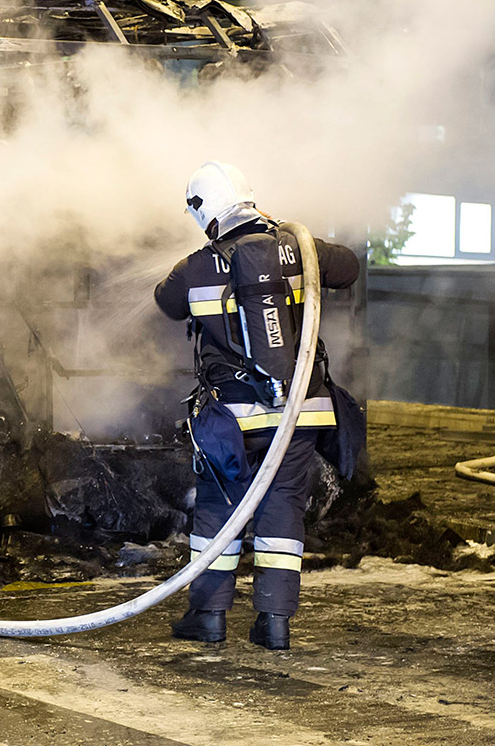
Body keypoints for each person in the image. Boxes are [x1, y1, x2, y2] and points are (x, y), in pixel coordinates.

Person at [154, 161, 360, 651]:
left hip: (232, 418)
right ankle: (274, 623)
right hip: (297, 412)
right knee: (283, 509)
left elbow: (166, 302)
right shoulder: (299, 250)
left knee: (218, 509)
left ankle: (209, 616)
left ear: (204, 213)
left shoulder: (197, 266)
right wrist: (289, 240)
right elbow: (348, 266)